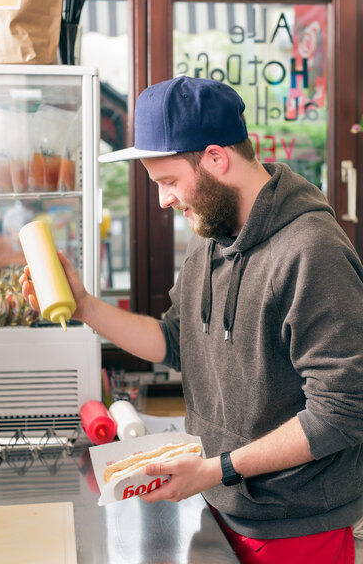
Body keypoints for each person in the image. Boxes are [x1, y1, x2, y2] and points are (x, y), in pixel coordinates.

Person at [20, 76, 363, 564]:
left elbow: (344, 412)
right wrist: (85, 307)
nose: (163, 200)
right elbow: (175, 341)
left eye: (169, 181)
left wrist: (218, 468)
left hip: (296, 526)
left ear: (216, 158)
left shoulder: (312, 251)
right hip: (221, 504)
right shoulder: (209, 237)